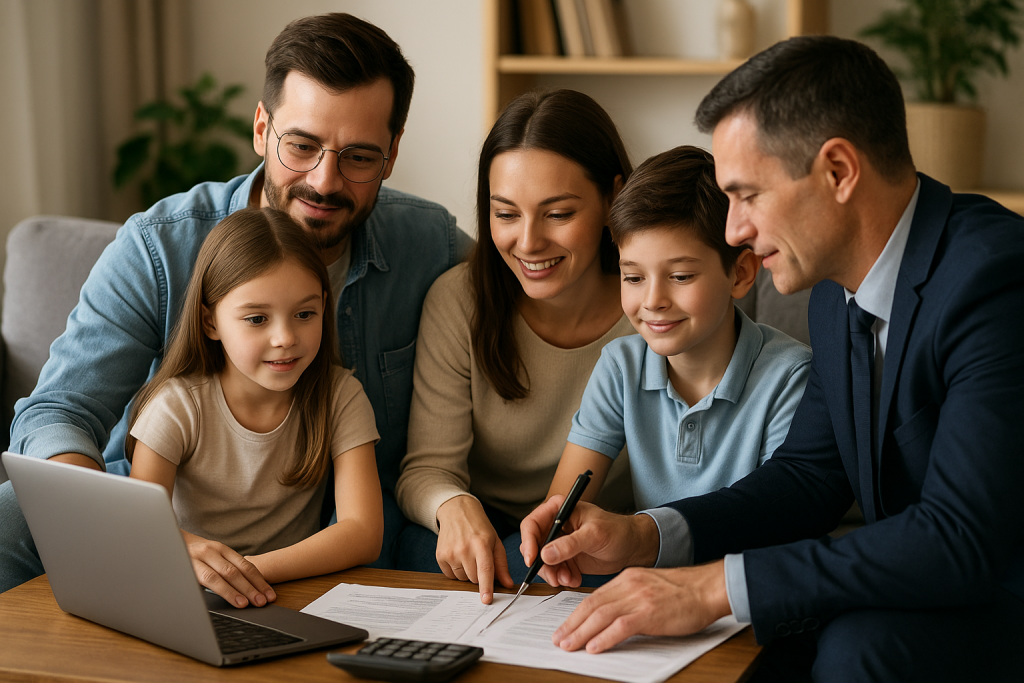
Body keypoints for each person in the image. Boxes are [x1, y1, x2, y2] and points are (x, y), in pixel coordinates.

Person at [520, 36, 1024, 682]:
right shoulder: (834, 299)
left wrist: (711, 589)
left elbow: (959, 536)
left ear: (838, 171)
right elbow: (806, 479)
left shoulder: (992, 279)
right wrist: (641, 535)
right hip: (938, 587)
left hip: (1002, 589)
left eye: (746, 194)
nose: (733, 231)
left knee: (854, 647)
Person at [2, 12, 472, 595]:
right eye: (301, 145)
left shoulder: (433, 244)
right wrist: (142, 531)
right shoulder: (159, 246)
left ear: (392, 153)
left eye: (358, 157)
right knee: (6, 517)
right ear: (261, 128)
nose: (325, 181)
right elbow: (57, 413)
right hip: (164, 518)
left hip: (352, 527)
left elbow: (531, 289)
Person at [394, 89, 637, 604]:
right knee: (415, 546)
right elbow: (426, 469)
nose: (528, 243)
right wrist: (453, 504)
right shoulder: (459, 302)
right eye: (506, 214)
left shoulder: (655, 309)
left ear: (613, 198)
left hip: (603, 541)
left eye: (557, 214)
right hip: (491, 534)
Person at [128, 208, 382, 607]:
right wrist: (217, 573)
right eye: (257, 318)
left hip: (287, 590)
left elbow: (363, 532)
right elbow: (138, 528)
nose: (285, 337)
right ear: (210, 322)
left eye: (304, 314)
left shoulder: (340, 396)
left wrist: (244, 573)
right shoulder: (177, 406)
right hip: (187, 593)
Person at [547, 145, 810, 512]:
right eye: (634, 277)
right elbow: (561, 509)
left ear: (742, 273)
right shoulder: (620, 366)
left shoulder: (790, 375)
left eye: (681, 276)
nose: (653, 300)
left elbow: (772, 525)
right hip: (645, 562)